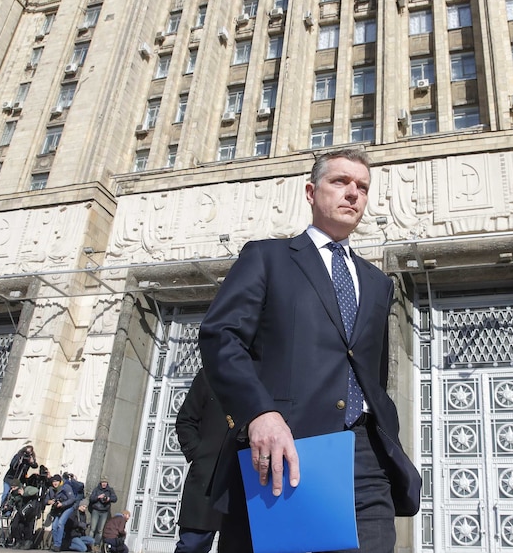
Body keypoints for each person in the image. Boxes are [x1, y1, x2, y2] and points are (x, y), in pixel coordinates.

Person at [200, 149, 422, 553]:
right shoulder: (267, 258)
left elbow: (370, 369)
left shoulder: (377, 282)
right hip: (289, 449)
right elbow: (220, 336)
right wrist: (258, 413)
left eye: (362, 187)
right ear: (310, 191)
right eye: (340, 182)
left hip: (366, 457)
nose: (353, 194)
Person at [174, 371, 227, 553]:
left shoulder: (267, 373)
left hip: (250, 481)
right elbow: (186, 420)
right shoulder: (210, 374)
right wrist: (199, 453)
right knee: (192, 546)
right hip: (207, 477)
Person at [45, 473, 77, 552]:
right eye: (53, 481)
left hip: (68, 507)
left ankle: (58, 545)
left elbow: (72, 499)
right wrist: (49, 501)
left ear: (60, 481)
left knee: (60, 523)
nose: (55, 483)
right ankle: (56, 544)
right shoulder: (51, 489)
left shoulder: (66, 487)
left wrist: (62, 504)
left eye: (56, 481)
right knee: (54, 526)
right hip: (58, 509)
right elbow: (46, 500)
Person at [7, 480, 41, 549]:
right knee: (14, 525)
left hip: (30, 510)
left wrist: (24, 493)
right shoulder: (13, 494)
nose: (13, 489)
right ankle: (18, 541)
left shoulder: (26, 488)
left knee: (28, 526)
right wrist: (8, 506)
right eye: (12, 487)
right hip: (20, 511)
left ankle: (28, 542)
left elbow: (35, 490)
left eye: (14, 487)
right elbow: (12, 501)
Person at [87, 476, 117, 545]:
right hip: (96, 510)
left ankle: (96, 544)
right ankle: (89, 543)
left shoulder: (110, 490)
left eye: (105, 482)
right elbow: (91, 499)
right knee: (92, 528)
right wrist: (98, 497)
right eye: (103, 482)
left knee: (100, 530)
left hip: (104, 511)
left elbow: (115, 498)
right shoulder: (96, 489)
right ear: (100, 482)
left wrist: (109, 499)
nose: (104, 484)